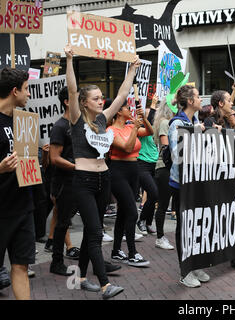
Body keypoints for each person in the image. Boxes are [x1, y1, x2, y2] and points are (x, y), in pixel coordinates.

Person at [64, 44, 140, 299]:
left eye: (101, 98)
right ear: (84, 103)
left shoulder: (101, 119)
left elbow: (120, 96)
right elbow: (73, 89)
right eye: (95, 98)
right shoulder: (77, 118)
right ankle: (106, 285)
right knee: (96, 232)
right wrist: (69, 60)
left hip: (103, 179)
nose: (101, 101)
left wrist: (131, 71)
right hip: (83, 181)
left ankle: (81, 278)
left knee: (90, 232)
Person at [168, 84, 211, 288]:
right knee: (184, 228)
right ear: (191, 101)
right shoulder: (177, 124)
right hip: (181, 185)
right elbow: (178, 155)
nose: (201, 100)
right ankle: (185, 271)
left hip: (196, 182)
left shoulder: (194, 120)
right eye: (198, 97)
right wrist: (195, 133)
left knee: (197, 226)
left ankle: (195, 264)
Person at [0, 67, 34, 299]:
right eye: (26, 89)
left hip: (23, 205)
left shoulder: (24, 121)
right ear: (14, 91)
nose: (29, 94)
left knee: (21, 265)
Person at [206, 88, 235, 269]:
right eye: (229, 101)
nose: (232, 104)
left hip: (226, 175)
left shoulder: (226, 122)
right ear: (221, 104)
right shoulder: (209, 121)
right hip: (213, 177)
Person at [108, 100, 152, 267]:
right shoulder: (110, 130)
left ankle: (116, 250)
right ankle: (132, 253)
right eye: (127, 108)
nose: (130, 110)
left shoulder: (129, 126)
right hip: (118, 172)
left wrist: (143, 118)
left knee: (123, 213)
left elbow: (149, 131)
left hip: (133, 171)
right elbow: (126, 148)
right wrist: (134, 127)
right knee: (132, 213)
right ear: (119, 112)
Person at [48, 86, 81, 276]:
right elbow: (54, 158)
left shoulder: (79, 125)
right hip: (64, 183)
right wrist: (78, 166)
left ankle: (94, 259)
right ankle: (56, 262)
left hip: (79, 181)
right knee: (62, 223)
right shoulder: (60, 126)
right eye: (76, 97)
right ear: (67, 102)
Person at [152, 100, 176, 250]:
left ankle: (160, 236)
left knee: (165, 203)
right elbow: (166, 146)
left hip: (168, 168)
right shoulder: (165, 123)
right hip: (164, 168)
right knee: (163, 203)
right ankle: (160, 237)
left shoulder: (167, 123)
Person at [136, 94, 159, 237]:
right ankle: (141, 221)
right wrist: (153, 104)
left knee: (154, 196)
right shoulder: (141, 130)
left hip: (153, 165)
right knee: (153, 193)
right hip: (142, 165)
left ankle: (148, 222)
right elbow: (149, 120)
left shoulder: (153, 130)